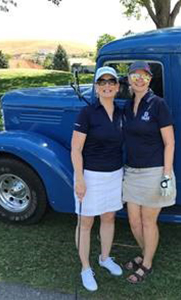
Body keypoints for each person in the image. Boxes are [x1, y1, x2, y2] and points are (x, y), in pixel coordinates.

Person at [123, 61, 176, 283]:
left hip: (154, 171)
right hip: (132, 171)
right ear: (129, 80)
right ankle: (146, 253)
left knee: (147, 221)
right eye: (135, 75)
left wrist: (166, 175)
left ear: (149, 80)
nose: (139, 79)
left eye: (144, 76)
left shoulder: (157, 104)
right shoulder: (127, 106)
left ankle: (147, 264)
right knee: (133, 221)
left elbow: (170, 142)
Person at [71, 66, 123, 292]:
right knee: (86, 223)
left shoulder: (122, 113)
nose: (107, 85)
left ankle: (105, 257)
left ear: (118, 87)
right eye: (102, 82)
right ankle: (85, 267)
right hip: (90, 175)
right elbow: (75, 149)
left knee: (109, 217)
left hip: (114, 174)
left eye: (111, 81)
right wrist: (80, 179)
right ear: (96, 87)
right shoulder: (87, 113)